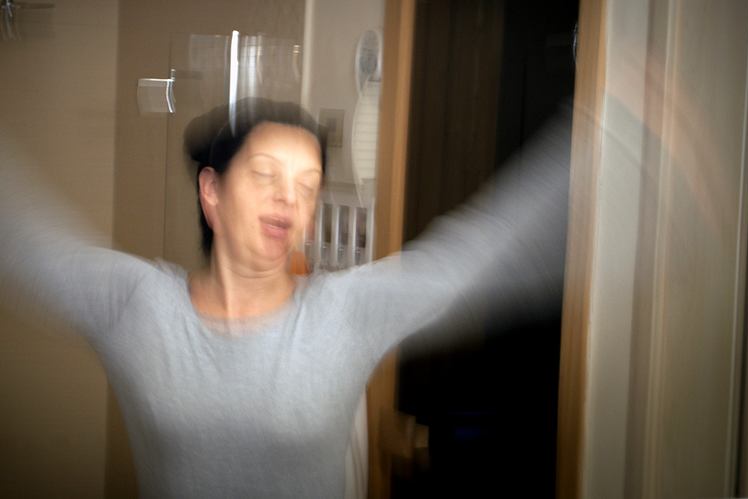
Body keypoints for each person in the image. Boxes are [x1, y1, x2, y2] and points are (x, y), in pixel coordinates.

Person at [0, 97, 570, 498]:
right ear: (212, 191)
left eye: (307, 185)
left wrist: (601, 138)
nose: (288, 199)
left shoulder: (344, 312)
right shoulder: (139, 307)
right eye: (265, 174)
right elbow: (25, 243)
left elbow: (481, 256)